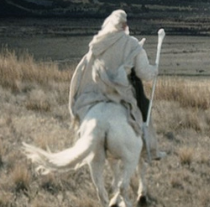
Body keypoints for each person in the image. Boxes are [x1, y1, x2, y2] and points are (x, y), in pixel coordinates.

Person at [68, 9, 163, 160]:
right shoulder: (132, 45)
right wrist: (154, 70)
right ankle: (149, 150)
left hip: (97, 91)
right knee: (144, 107)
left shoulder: (99, 43)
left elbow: (83, 68)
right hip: (120, 92)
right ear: (125, 26)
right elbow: (143, 73)